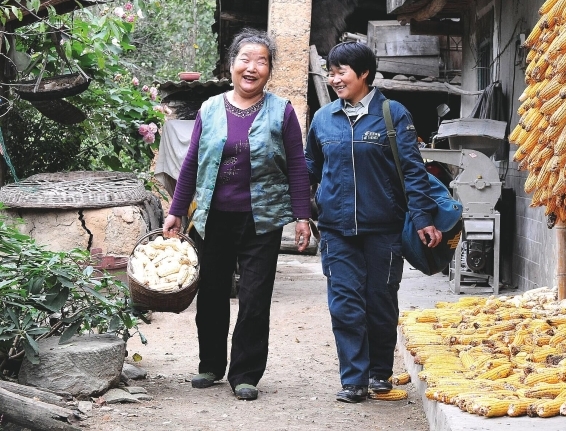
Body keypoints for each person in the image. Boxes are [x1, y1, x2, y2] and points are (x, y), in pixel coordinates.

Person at [163, 28, 311, 401]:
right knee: (212, 293)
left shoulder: (282, 111)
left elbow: (296, 165)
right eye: (245, 59)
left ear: (269, 70)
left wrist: (302, 216)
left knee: (255, 297)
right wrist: (176, 210)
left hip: (261, 219)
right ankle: (211, 365)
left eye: (261, 61)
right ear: (232, 65)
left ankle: (245, 373)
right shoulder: (210, 108)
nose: (252, 67)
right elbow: (192, 163)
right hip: (213, 217)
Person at [305, 42, 442, 403]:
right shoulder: (323, 119)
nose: (334, 79)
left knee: (379, 302)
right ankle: (353, 380)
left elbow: (413, 170)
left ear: (363, 73)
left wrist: (423, 217)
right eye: (331, 72)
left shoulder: (392, 114)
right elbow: (310, 168)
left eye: (341, 71)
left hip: (384, 227)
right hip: (336, 230)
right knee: (345, 304)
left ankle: (379, 372)